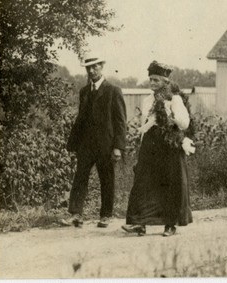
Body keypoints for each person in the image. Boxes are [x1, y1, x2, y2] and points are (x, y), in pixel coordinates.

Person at [122, 61, 192, 237]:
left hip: (169, 145)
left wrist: (172, 117)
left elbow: (185, 123)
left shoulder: (174, 99)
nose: (152, 83)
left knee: (170, 183)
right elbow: (145, 124)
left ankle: (170, 224)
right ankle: (140, 223)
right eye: (150, 80)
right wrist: (142, 145)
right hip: (151, 146)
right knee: (143, 182)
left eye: (156, 80)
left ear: (165, 82)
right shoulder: (147, 100)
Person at [62, 54, 127, 228]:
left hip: (106, 145)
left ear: (102, 66)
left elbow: (121, 122)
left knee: (107, 179)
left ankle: (106, 215)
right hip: (86, 145)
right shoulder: (84, 91)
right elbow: (80, 119)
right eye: (88, 67)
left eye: (95, 67)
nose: (91, 70)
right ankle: (76, 214)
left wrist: (118, 147)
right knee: (80, 177)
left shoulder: (113, 91)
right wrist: (73, 143)